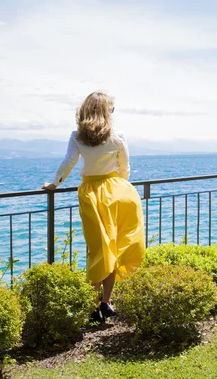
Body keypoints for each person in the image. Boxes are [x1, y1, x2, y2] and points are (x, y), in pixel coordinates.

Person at [43, 91, 145, 322]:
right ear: (104, 111)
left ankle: (93, 305)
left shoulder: (77, 136)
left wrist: (54, 184)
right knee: (114, 247)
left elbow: (69, 162)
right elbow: (125, 167)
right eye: (111, 109)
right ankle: (105, 303)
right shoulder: (117, 135)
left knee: (98, 249)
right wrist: (119, 185)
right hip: (119, 191)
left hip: (91, 193)